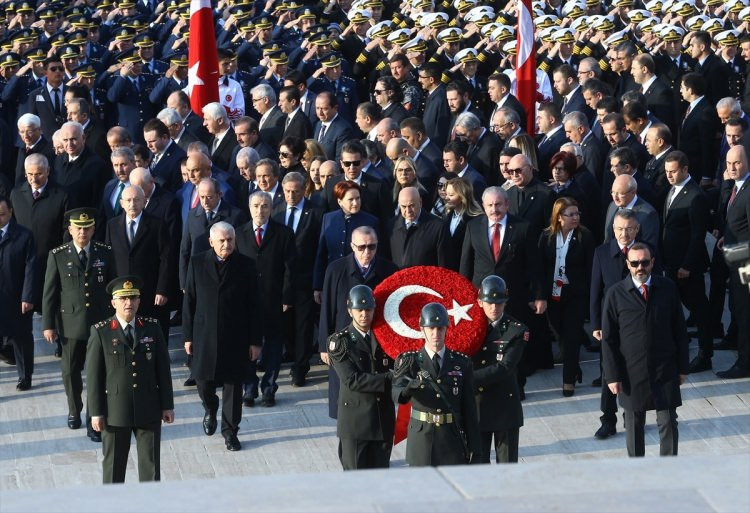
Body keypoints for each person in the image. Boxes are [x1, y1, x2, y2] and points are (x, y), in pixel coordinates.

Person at [602, 242, 689, 457]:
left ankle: (668, 470)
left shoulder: (667, 288)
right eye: (635, 263)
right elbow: (609, 340)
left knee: (668, 422)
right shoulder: (615, 294)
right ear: (628, 264)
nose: (640, 267)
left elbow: (679, 329)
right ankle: (638, 473)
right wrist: (612, 376)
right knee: (633, 425)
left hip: (664, 368)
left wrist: (683, 368)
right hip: (632, 371)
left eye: (644, 262)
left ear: (652, 263)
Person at [86, 276, 174, 483]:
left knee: (151, 469)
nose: (129, 303)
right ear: (113, 302)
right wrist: (96, 413)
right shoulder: (101, 332)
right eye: (123, 298)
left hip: (148, 407)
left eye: (133, 297)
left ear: (139, 301)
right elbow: (94, 377)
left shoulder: (152, 327)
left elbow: (163, 369)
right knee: (113, 470)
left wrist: (167, 405)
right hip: (115, 411)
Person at [182, 222, 261, 451]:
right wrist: (187, 336)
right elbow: (189, 302)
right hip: (204, 335)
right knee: (203, 382)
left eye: (230, 240)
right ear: (211, 242)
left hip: (236, 336)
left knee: (233, 387)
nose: (227, 245)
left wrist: (255, 341)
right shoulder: (197, 263)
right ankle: (210, 408)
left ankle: (230, 432)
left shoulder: (246, 265)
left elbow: (254, 305)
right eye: (222, 241)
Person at [42, 208, 115, 442]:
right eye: (78, 228)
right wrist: (48, 325)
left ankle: (95, 419)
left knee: (98, 374)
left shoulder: (105, 252)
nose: (82, 232)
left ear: (94, 229)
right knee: (70, 371)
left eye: (87, 228)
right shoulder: (58, 255)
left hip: (99, 324)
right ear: (70, 230)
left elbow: (113, 288)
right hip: (70, 324)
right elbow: (50, 294)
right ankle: (74, 409)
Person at [318, 226, 398, 419]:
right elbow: (327, 309)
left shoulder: (388, 269)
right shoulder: (336, 269)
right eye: (361, 247)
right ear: (352, 246)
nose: (367, 252)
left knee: (375, 393)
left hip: (376, 342)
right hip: (345, 341)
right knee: (345, 393)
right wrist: (324, 345)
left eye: (372, 247)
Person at [391, 302, 480, 466]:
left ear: (446, 329)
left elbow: (469, 408)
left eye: (440, 328)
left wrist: (475, 446)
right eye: (431, 328)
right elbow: (396, 392)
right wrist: (409, 388)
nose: (435, 333)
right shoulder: (410, 361)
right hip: (422, 438)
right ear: (422, 329)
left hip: (451, 438)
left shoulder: (461, 363)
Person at [235, 191, 296, 407]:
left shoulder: (284, 233)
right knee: (247, 345)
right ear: (249, 207)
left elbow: (290, 269)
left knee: (273, 345)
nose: (260, 210)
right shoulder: (239, 233)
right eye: (256, 206)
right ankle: (249, 388)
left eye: (265, 206)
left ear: (271, 208)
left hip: (274, 298)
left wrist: (287, 297)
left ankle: (269, 388)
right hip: (247, 301)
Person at [328, 285, 395, 470]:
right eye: (359, 310)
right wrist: (390, 378)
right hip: (357, 425)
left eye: (368, 309)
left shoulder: (384, 338)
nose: (364, 314)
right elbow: (352, 380)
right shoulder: (340, 341)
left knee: (382, 481)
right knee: (357, 483)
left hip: (382, 421)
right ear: (350, 311)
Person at [660, 151, 713, 374]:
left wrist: (687, 266)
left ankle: (704, 354)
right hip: (671, 263)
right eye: (667, 172)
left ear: (684, 169)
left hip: (686, 266)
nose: (669, 176)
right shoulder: (672, 190)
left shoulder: (696, 196)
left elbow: (697, 235)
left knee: (699, 309)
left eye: (673, 172)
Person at [271, 172, 324, 387]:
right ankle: (291, 353)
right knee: (285, 324)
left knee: (303, 326)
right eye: (287, 191)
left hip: (305, 279)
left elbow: (320, 250)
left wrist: (317, 283)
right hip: (283, 280)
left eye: (295, 191)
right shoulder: (276, 212)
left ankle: (300, 367)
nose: (291, 195)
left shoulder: (317, 213)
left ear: (304, 190)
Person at [538, 197, 594, 396]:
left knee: (571, 337)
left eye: (577, 214)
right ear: (559, 217)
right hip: (553, 294)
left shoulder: (584, 236)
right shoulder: (547, 237)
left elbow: (590, 268)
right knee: (559, 333)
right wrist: (539, 295)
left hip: (575, 294)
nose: (575, 218)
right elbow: (541, 267)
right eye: (570, 214)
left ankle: (568, 380)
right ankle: (574, 366)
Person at [105, 185, 174, 342]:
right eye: (128, 200)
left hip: (149, 292)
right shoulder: (112, 225)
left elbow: (166, 259)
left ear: (144, 201)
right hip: (122, 292)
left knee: (152, 336)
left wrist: (162, 289)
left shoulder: (157, 225)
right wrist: (110, 290)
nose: (132, 204)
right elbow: (109, 259)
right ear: (121, 203)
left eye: (136, 200)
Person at [473, 276, 527, 463]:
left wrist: (468, 379)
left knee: (507, 467)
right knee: (478, 465)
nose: (494, 308)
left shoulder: (516, 330)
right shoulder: (469, 327)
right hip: (478, 406)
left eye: (499, 303)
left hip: (504, 407)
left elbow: (505, 367)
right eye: (489, 303)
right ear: (480, 302)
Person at [0, 196, 36, 391]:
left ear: (11, 213)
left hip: (17, 297)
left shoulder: (24, 236)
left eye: (2, 214)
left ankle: (25, 377)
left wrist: (28, 296)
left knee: (22, 339)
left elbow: (30, 268)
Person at [386, 186, 448, 268]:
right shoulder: (392, 225)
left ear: (420, 202)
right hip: (399, 279)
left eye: (411, 206)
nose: (408, 211)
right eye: (404, 207)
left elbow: (444, 264)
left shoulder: (438, 227)